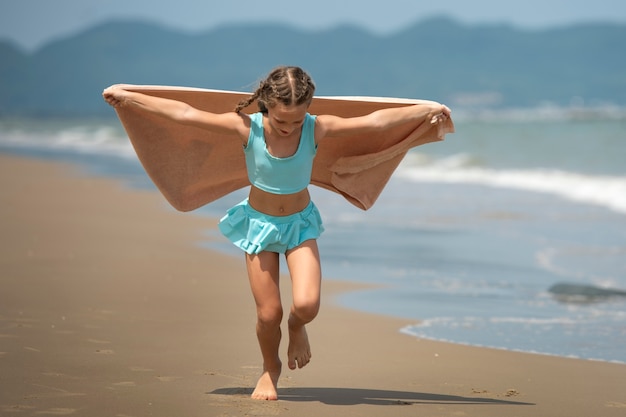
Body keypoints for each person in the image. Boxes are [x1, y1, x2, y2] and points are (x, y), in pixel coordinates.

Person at [102, 65, 451, 401]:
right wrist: (128, 98)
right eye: (282, 120)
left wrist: (425, 110)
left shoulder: (316, 129)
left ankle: (298, 330)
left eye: (297, 120)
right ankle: (270, 368)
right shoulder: (247, 128)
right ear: (267, 105)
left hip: (300, 224)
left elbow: (373, 121)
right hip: (258, 225)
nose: (289, 127)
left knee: (307, 305)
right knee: (269, 314)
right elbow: (184, 114)